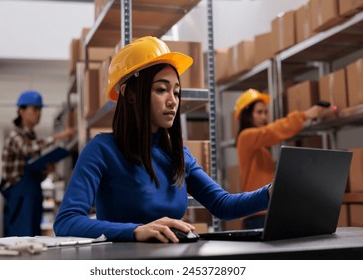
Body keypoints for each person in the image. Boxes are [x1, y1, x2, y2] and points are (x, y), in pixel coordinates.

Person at [54, 36, 272, 243]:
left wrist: (271, 192)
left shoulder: (179, 156)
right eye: (161, 90)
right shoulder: (102, 150)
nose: (172, 101)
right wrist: (135, 231)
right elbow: (67, 221)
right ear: (129, 94)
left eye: (176, 93)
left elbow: (223, 205)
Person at [234, 88, 327, 229]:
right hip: (257, 215)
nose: (264, 117)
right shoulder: (246, 137)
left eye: (265, 112)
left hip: (267, 212)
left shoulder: (260, 147)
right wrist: (304, 115)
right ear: (247, 114)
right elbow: (272, 132)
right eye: (259, 112)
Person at [0, 90, 75, 237]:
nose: (39, 113)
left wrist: (46, 169)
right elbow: (27, 149)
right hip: (19, 196)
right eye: (35, 109)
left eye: (40, 109)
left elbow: (33, 169)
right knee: (20, 238)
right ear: (20, 111)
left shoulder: (33, 137)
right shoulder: (15, 135)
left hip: (33, 193)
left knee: (33, 236)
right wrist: (58, 137)